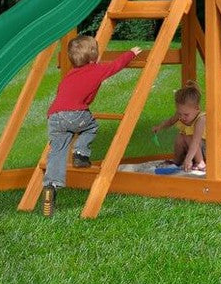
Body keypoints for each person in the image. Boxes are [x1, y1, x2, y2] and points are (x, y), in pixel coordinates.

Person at [41, 35, 142, 216]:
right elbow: (115, 66)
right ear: (94, 57)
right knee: (91, 126)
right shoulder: (96, 70)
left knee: (57, 151)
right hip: (75, 113)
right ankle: (80, 153)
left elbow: (61, 93)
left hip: (54, 116)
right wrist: (131, 53)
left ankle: (51, 185)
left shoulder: (69, 75)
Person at [151, 80, 207, 173]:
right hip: (190, 150)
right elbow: (170, 121)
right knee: (180, 137)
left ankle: (201, 163)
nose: (182, 117)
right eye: (179, 113)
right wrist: (159, 127)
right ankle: (177, 161)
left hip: (204, 150)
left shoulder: (201, 119)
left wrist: (188, 159)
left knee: (189, 137)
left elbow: (196, 142)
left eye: (186, 114)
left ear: (197, 108)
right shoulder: (181, 115)